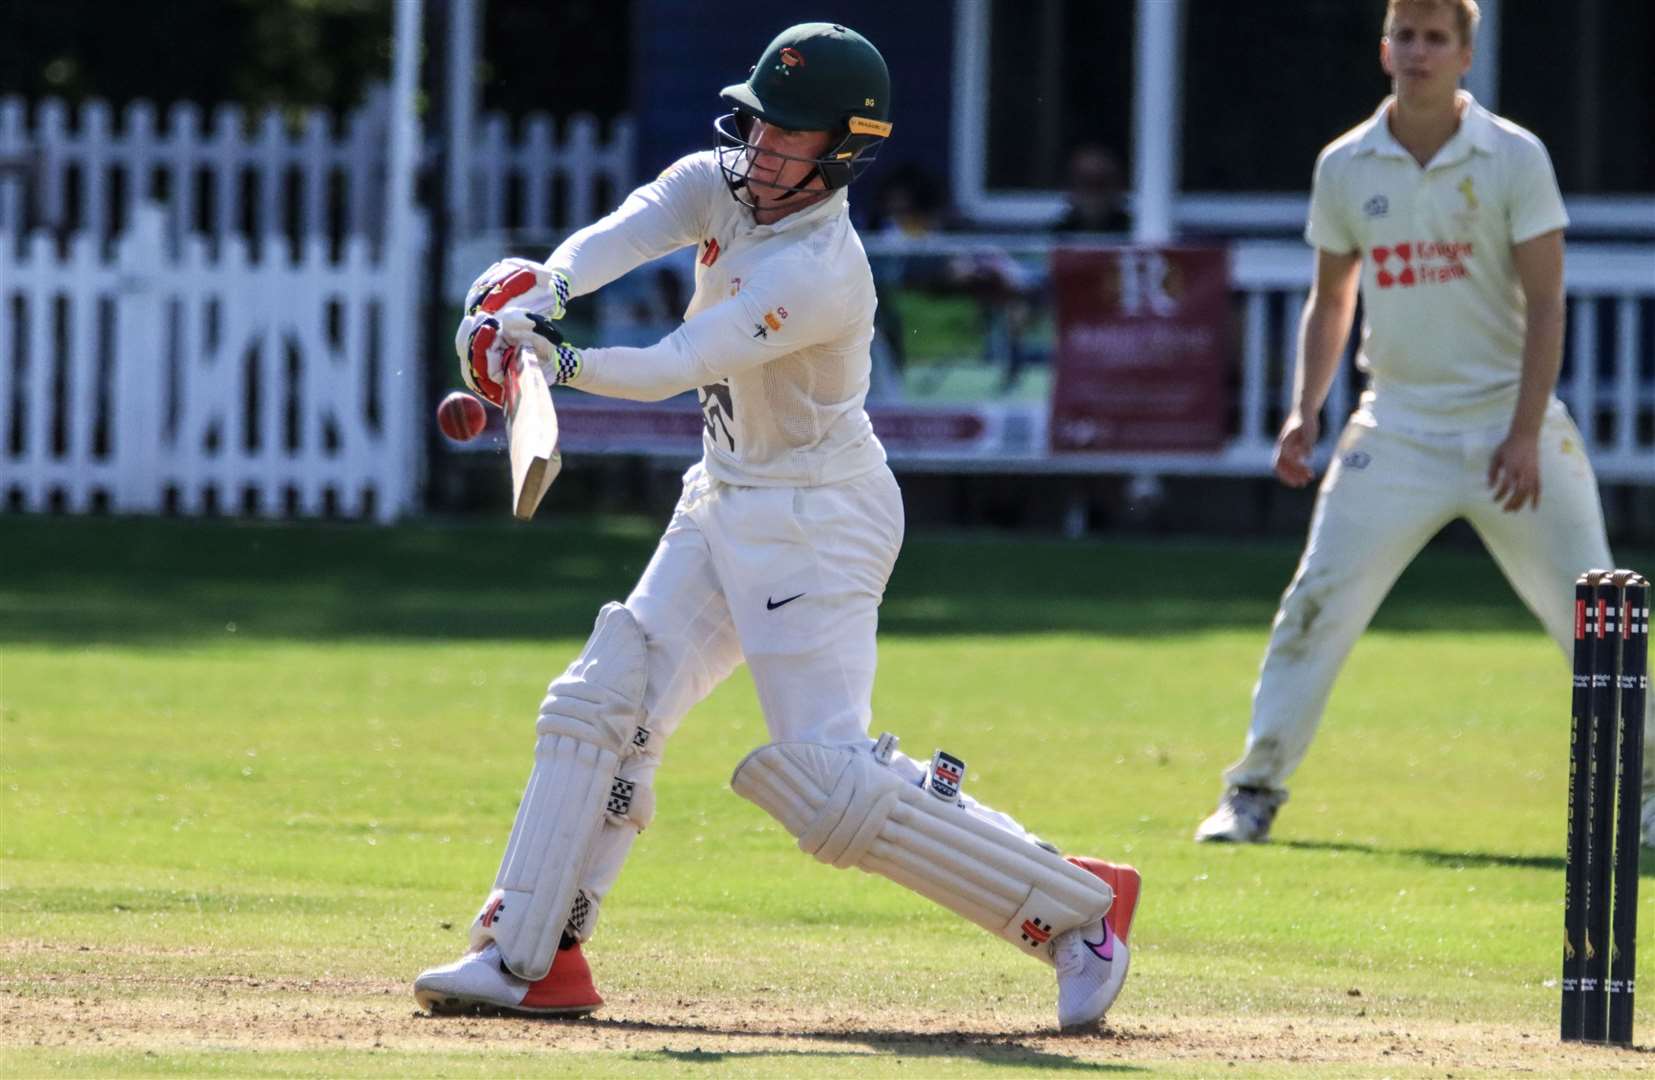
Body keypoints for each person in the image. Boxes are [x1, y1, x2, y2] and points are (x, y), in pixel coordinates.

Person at [414, 22, 1142, 1032]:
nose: (759, 148)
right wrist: (543, 289)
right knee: (600, 702)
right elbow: (631, 226)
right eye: (757, 122)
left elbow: (679, 360)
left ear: (844, 147)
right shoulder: (722, 181)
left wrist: (558, 363)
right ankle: (530, 956)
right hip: (724, 492)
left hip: (816, 518)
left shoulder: (820, 268)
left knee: (825, 784)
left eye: (788, 134)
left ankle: (1077, 913)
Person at [1194, 0, 1654, 849]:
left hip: (1510, 430)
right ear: (1383, 49)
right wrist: (1304, 410)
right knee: (1316, 603)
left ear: (1463, 55)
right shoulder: (1345, 164)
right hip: (1396, 428)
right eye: (1404, 36)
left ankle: (1653, 786)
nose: (1417, 53)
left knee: (1594, 613)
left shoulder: (1513, 156)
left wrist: (1521, 434)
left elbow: (1548, 302)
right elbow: (1331, 298)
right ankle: (1252, 790)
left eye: (1435, 38)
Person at [1052, 144, 1131, 235]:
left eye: (1101, 183)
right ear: (1069, 187)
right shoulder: (1053, 238)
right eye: (1084, 182)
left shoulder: (1139, 230)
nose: (1093, 192)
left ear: (1119, 185)